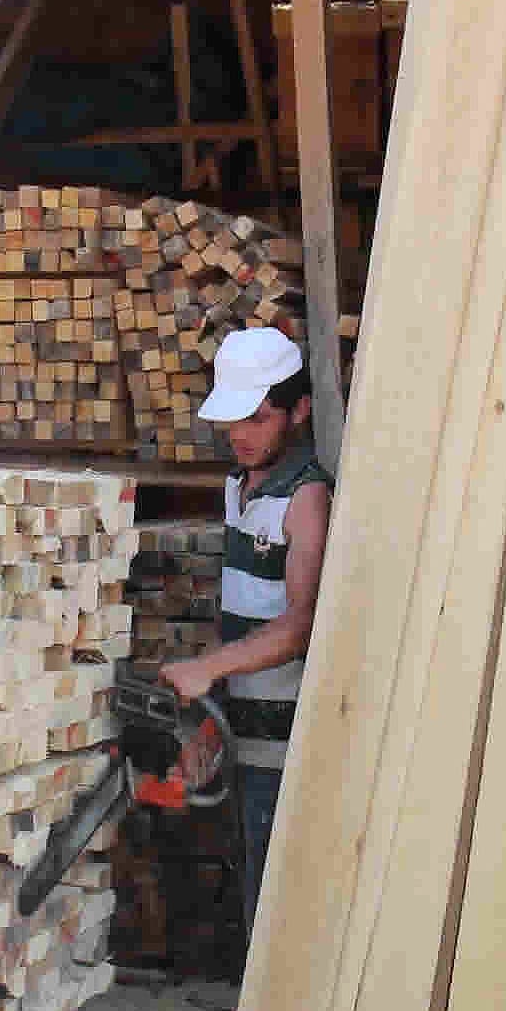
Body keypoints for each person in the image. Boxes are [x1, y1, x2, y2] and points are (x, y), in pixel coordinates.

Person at [157, 326, 333, 902]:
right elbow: (240, 617)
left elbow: (301, 625)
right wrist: (212, 723)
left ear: (298, 411)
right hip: (245, 736)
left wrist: (207, 668)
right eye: (234, 420)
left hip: (286, 749)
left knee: (278, 906)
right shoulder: (237, 488)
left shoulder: (307, 496)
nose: (241, 435)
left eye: (258, 419)